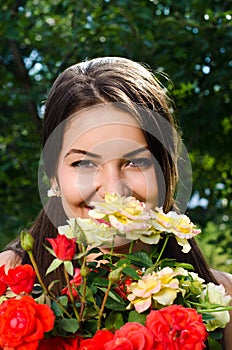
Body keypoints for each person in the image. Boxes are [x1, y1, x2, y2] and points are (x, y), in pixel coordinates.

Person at [0, 57, 231, 348]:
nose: (113, 190)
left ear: (165, 173)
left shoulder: (222, 303)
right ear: (53, 176)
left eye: (134, 162)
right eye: (84, 163)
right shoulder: (6, 289)